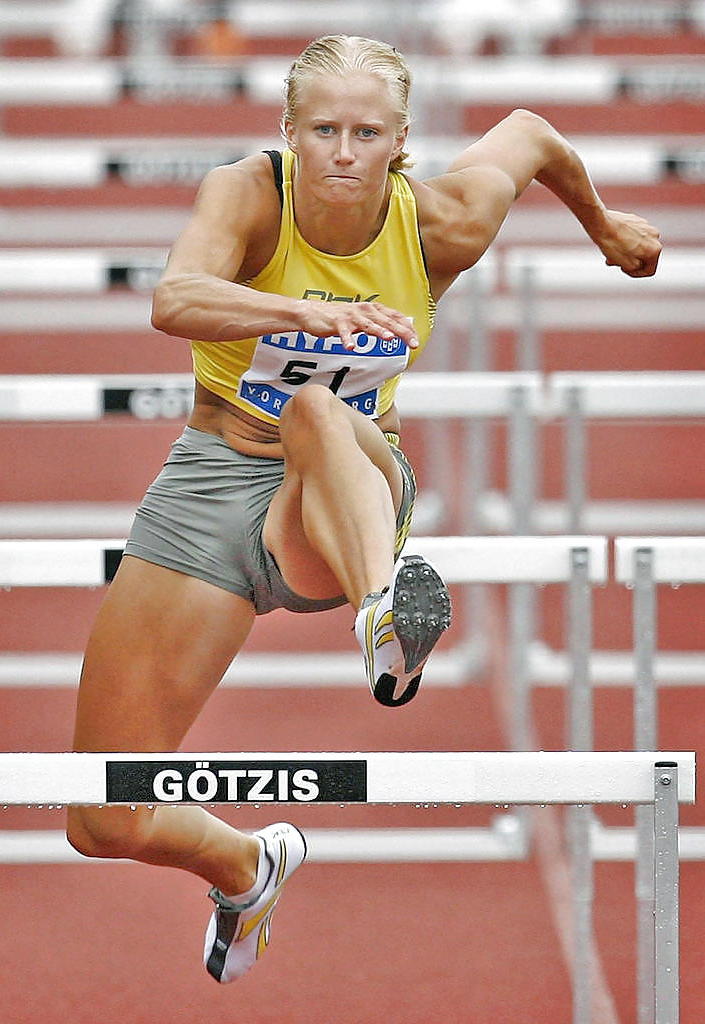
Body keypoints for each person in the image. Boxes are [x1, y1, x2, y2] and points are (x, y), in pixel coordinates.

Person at [66, 34, 662, 984]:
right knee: (99, 814)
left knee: (317, 408)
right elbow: (174, 299)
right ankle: (245, 863)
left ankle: (387, 607)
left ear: (401, 141)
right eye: (325, 131)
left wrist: (603, 225)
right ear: (290, 134)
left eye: (368, 133)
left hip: (351, 497)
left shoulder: (444, 224)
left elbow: (532, 132)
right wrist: (304, 314)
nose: (345, 152)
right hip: (213, 483)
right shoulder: (247, 194)